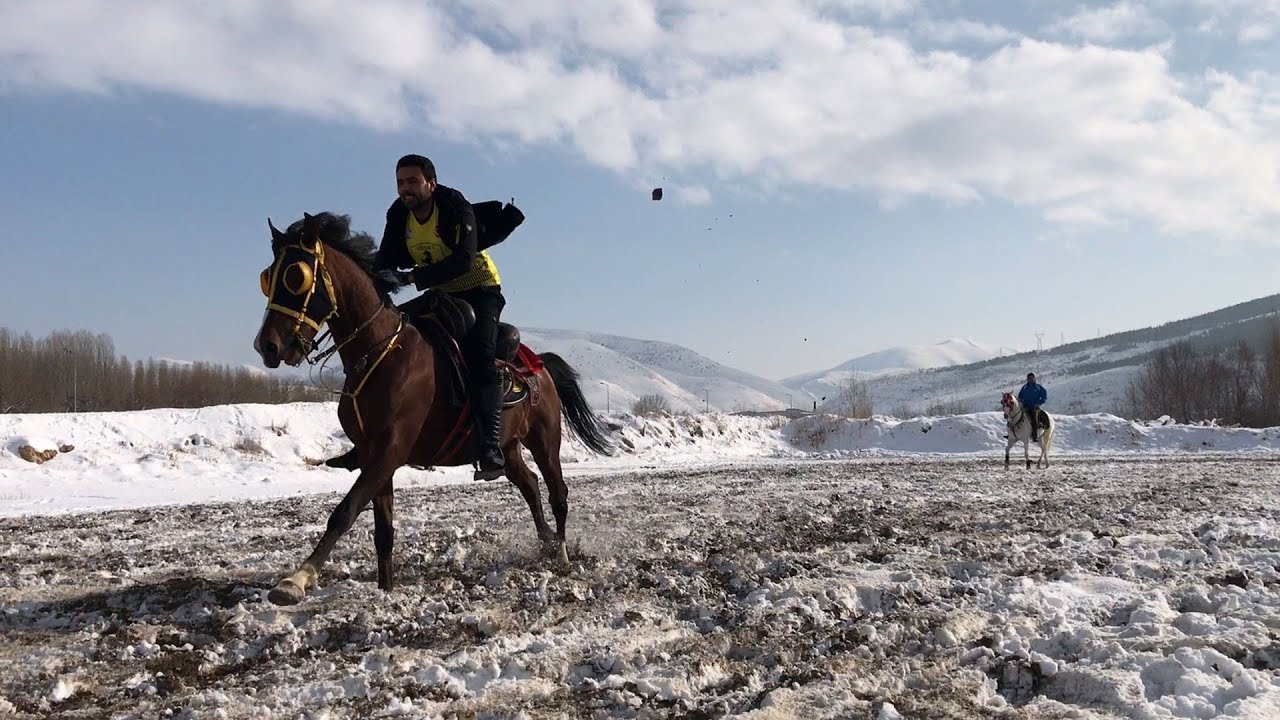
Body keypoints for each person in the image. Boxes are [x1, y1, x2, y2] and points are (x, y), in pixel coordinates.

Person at [373, 154, 507, 481]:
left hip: (480, 289)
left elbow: (462, 260)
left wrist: (411, 279)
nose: (405, 189)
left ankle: (490, 446)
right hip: (440, 294)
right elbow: (388, 258)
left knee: (481, 356)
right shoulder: (398, 215)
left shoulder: (453, 207)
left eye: (412, 182)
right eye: (400, 182)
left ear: (430, 184)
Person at [1017, 372, 1048, 442]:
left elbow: (1044, 397)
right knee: (1015, 417)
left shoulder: (1038, 387)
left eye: (1031, 378)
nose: (1030, 380)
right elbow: (1020, 396)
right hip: (1025, 407)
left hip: (1034, 408)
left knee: (1034, 420)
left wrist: (1039, 403)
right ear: (1027, 379)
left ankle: (1034, 436)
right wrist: (1021, 401)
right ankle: (1013, 434)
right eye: (1029, 378)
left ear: (1034, 378)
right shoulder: (1024, 387)